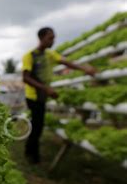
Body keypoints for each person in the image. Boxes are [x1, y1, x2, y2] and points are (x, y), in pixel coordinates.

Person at [22, 27, 96, 164]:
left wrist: (85, 69)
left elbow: (66, 62)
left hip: (42, 96)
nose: (53, 41)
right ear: (41, 38)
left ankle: (30, 153)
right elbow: (26, 78)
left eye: (53, 38)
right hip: (33, 97)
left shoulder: (50, 55)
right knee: (37, 126)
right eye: (50, 38)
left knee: (38, 125)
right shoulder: (29, 56)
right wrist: (46, 89)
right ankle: (32, 156)